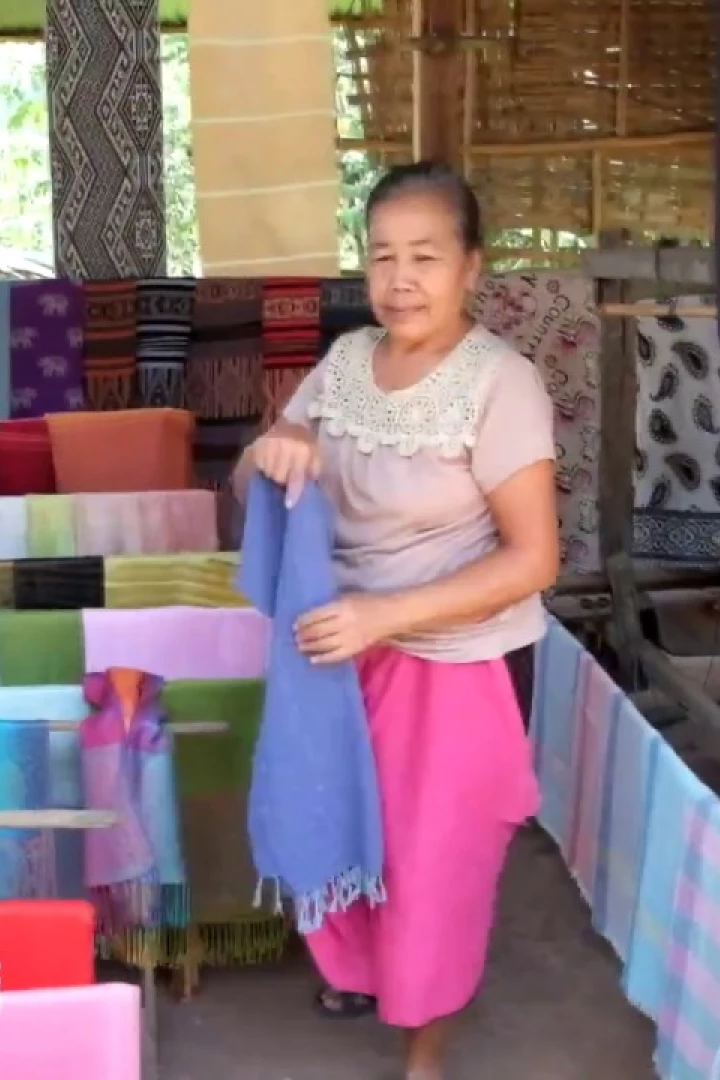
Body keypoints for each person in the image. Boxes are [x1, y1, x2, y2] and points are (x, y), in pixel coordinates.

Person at [240, 162, 557, 1080]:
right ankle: (367, 975)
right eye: (383, 256)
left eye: (426, 254)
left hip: (459, 662)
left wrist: (387, 613)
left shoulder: (503, 385)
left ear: (473, 267)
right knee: (337, 822)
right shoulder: (343, 364)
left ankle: (426, 1050)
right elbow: (258, 478)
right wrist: (283, 441)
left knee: (432, 871)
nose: (401, 277)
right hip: (340, 653)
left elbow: (535, 560)